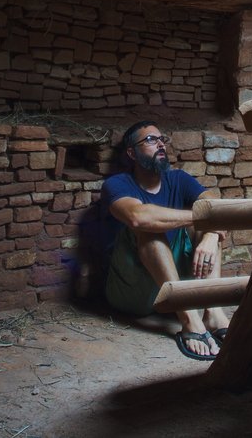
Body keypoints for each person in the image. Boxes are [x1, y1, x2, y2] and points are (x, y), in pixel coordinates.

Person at [100, 120, 230, 361]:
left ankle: (214, 313)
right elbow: (139, 218)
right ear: (132, 153)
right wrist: (201, 218)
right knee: (150, 229)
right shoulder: (116, 184)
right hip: (133, 292)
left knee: (210, 227)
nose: (160, 144)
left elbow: (218, 208)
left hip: (176, 283)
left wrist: (211, 234)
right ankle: (191, 322)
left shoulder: (178, 178)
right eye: (150, 140)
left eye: (161, 139)